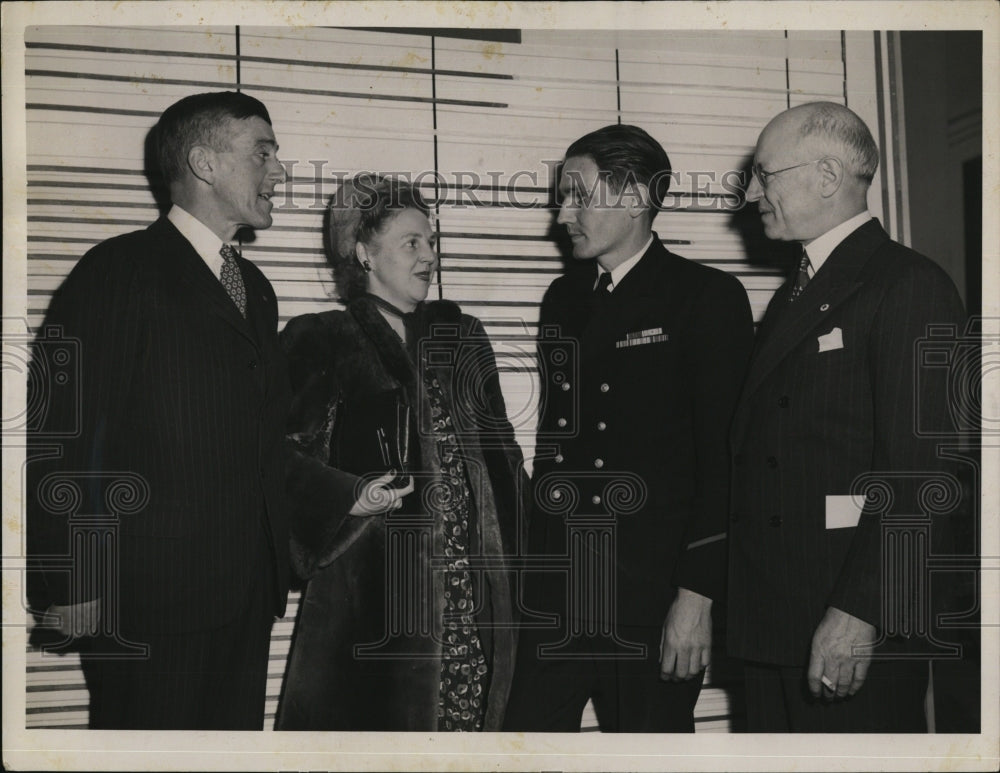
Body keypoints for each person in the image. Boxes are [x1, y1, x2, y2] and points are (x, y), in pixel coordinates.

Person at [26, 91, 291, 729]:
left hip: (246, 598)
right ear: (204, 163)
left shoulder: (254, 289)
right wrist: (72, 582)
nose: (279, 172)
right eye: (263, 153)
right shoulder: (117, 271)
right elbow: (63, 437)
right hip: (148, 604)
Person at [503, 125, 755, 732]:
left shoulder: (705, 296)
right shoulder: (563, 298)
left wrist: (696, 598)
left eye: (578, 195)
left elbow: (726, 459)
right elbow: (557, 448)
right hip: (560, 593)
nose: (563, 214)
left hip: (652, 598)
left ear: (636, 197)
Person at [727, 101, 967, 732]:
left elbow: (920, 475)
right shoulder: (796, 291)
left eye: (765, 174)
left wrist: (860, 612)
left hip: (847, 623)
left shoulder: (909, 285)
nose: (751, 193)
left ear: (828, 177)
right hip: (776, 624)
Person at [276, 174, 527, 731]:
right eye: (412, 242)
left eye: (431, 241)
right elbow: (277, 460)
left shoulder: (461, 335)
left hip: (472, 590)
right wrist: (349, 496)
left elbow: (505, 453)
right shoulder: (322, 337)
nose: (429, 255)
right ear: (363, 252)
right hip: (376, 597)